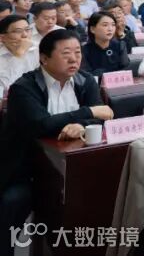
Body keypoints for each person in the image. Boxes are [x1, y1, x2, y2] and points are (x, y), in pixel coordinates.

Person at [1, 29, 113, 255]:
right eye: (66, 53)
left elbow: (103, 117)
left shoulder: (85, 81)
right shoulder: (23, 87)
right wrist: (87, 112)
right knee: (11, 208)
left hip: (66, 169)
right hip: (25, 171)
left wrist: (82, 124)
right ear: (44, 58)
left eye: (77, 52)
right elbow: (41, 124)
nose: (74, 59)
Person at [81, 12, 131, 77]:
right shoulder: (84, 50)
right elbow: (86, 75)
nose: (110, 29)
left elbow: (126, 69)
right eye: (105, 25)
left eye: (113, 25)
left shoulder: (120, 46)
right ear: (92, 29)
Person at [1, 15, 39, 92]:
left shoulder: (38, 49)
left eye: (27, 30)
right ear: (2, 37)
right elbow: (5, 86)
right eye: (18, 31)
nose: (25, 35)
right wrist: (19, 54)